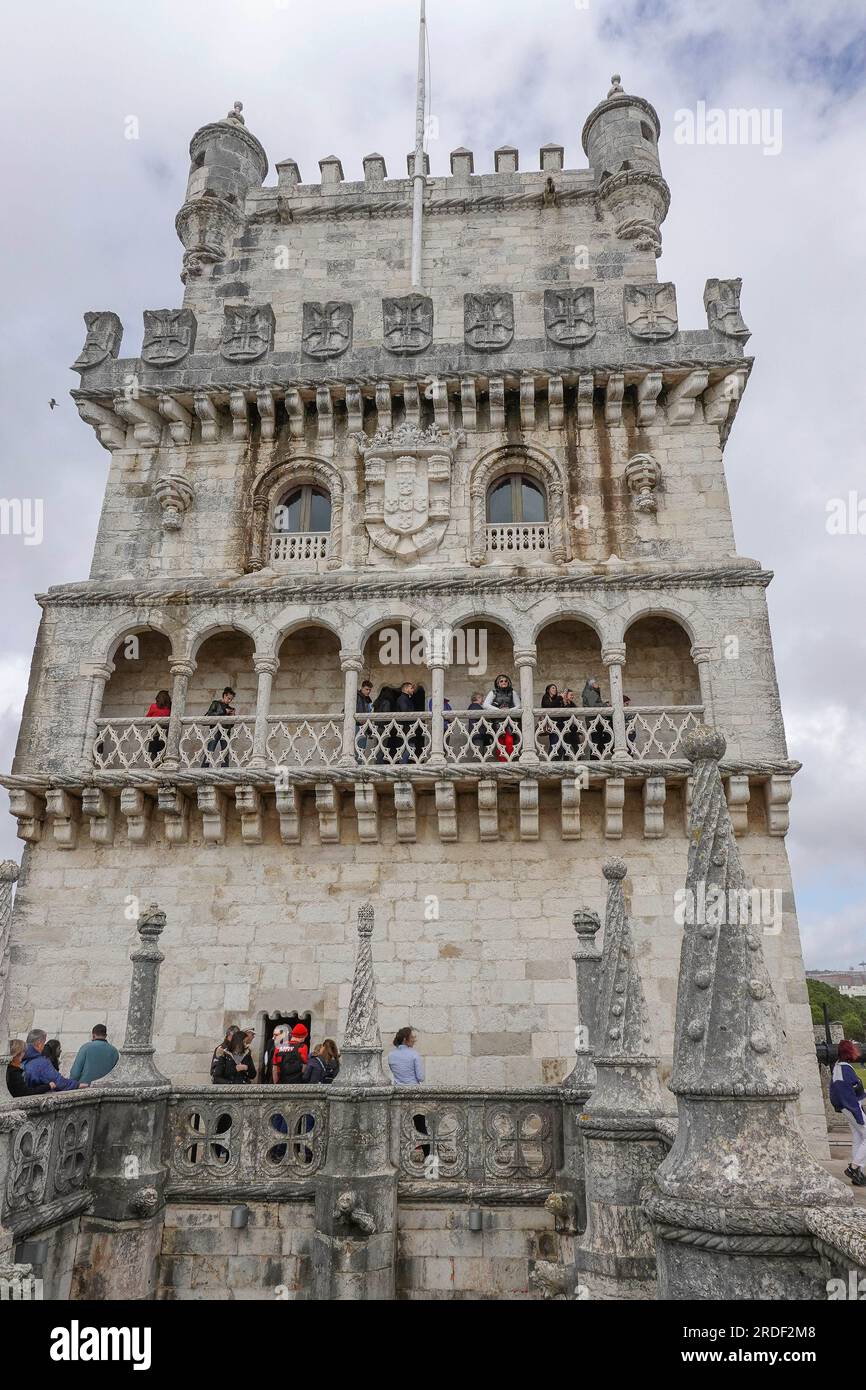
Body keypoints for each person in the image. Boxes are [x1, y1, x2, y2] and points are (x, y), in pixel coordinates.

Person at [830, 1039, 866, 1186]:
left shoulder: (841, 1068)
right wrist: (858, 1114)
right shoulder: (844, 1070)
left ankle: (858, 1173)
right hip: (852, 1108)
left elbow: (850, 1091)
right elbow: (847, 1095)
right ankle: (854, 1167)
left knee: (859, 1136)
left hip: (849, 1107)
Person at [483, 674, 521, 761]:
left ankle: (509, 761)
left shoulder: (512, 692)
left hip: (510, 722)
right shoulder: (493, 692)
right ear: (498, 683)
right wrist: (499, 710)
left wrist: (509, 710)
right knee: (500, 744)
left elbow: (519, 705)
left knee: (509, 741)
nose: (504, 682)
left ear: (508, 682)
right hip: (497, 722)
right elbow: (485, 705)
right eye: (501, 681)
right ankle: (503, 763)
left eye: (505, 681)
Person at [203, 686, 236, 767]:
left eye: (231, 699)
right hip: (215, 730)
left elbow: (231, 725)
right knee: (210, 750)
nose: (229, 701)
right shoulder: (215, 703)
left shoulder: (230, 708)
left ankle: (225, 769)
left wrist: (233, 717)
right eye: (228, 698)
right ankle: (204, 768)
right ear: (224, 695)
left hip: (226, 732)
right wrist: (224, 711)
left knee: (225, 752)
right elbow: (210, 715)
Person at [581, 677, 612, 759]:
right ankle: (595, 760)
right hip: (594, 721)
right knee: (596, 742)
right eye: (595, 683)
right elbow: (593, 706)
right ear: (591, 685)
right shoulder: (590, 692)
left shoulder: (591, 692)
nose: (597, 685)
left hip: (595, 720)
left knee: (598, 741)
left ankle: (598, 759)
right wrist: (605, 705)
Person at [145, 689, 171, 761]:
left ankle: (153, 766)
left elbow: (147, 718)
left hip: (155, 731)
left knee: (153, 751)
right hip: (165, 731)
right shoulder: (170, 708)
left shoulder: (153, 706)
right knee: (163, 751)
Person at [540, 682, 564, 759]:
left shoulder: (557, 699)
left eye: (555, 688)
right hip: (551, 724)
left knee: (560, 745)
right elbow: (549, 706)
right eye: (553, 688)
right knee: (554, 743)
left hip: (559, 724)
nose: (555, 689)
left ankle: (557, 761)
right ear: (548, 690)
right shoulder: (546, 697)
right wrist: (560, 697)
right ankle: (551, 760)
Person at [396, 681, 417, 764]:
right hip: (405, 728)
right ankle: (402, 765)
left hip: (408, 728)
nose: (413, 690)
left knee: (410, 748)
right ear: (405, 688)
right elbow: (405, 713)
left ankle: (402, 765)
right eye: (411, 688)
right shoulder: (402, 699)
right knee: (408, 748)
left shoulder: (406, 698)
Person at [468, 690, 491, 759]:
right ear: (477, 698)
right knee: (479, 755)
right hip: (478, 734)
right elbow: (479, 717)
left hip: (479, 734)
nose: (483, 700)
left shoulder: (475, 706)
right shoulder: (475, 706)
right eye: (481, 698)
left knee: (481, 754)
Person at [355, 678, 374, 761]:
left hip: (364, 727)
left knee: (362, 749)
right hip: (357, 726)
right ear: (362, 688)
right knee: (358, 750)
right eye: (366, 689)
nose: (368, 691)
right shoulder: (357, 697)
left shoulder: (368, 700)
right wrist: (359, 719)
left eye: (370, 690)